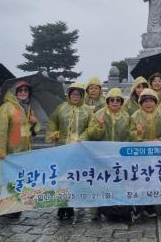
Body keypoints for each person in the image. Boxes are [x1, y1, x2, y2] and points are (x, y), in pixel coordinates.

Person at [0, 80, 40, 218]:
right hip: (9, 152)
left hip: (23, 151)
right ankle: (5, 208)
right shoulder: (6, 108)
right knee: (7, 180)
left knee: (18, 180)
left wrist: (34, 123)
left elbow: (31, 132)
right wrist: (1, 150)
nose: (23, 93)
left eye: (26, 90)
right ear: (15, 92)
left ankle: (15, 206)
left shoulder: (27, 108)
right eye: (20, 90)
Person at [47, 83, 92, 220]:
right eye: (73, 94)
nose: (75, 97)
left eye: (78, 94)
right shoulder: (61, 108)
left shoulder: (87, 110)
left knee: (75, 177)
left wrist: (82, 138)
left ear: (82, 96)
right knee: (63, 177)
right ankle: (63, 205)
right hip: (62, 147)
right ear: (69, 95)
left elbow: (91, 127)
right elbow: (52, 122)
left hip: (79, 149)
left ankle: (72, 203)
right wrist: (54, 133)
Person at [87, 87, 131, 221]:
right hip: (102, 156)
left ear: (121, 102)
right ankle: (96, 210)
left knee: (118, 183)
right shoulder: (98, 114)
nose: (115, 102)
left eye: (118, 100)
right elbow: (91, 134)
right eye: (112, 100)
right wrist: (100, 127)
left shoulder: (127, 117)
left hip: (119, 157)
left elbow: (129, 137)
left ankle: (118, 209)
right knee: (100, 183)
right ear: (108, 101)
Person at [130, 88, 161, 218]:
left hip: (157, 155)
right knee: (140, 181)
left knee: (154, 180)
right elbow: (129, 135)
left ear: (155, 102)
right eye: (145, 101)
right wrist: (138, 134)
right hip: (140, 155)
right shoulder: (134, 117)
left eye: (151, 101)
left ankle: (150, 207)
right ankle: (138, 207)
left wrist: (159, 140)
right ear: (140, 103)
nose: (148, 104)